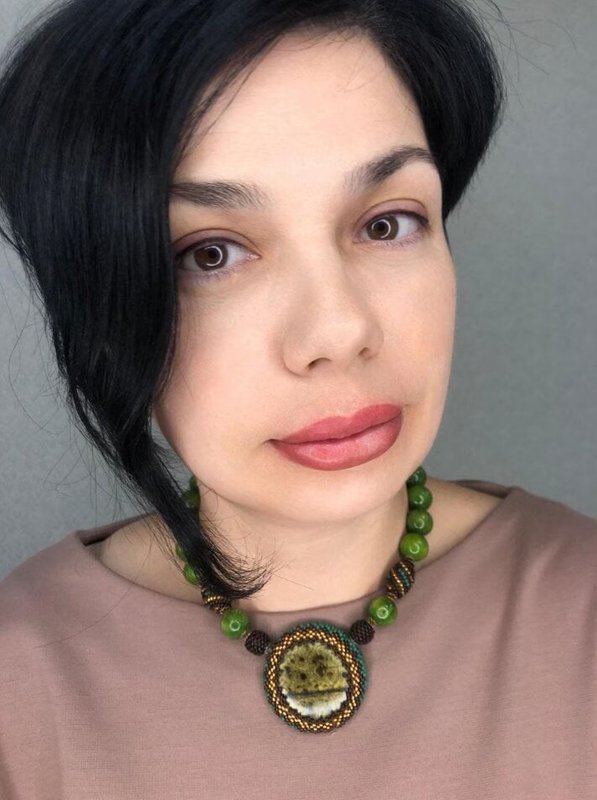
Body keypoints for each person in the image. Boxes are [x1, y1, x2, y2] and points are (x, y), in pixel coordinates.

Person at [0, 0, 595, 797]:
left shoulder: (578, 607)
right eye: (210, 253)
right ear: (98, 313)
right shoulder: (20, 680)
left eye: (386, 224)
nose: (339, 331)